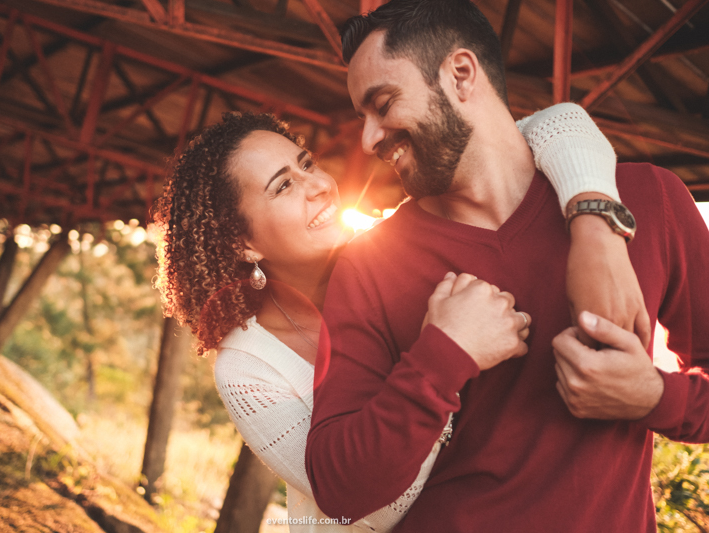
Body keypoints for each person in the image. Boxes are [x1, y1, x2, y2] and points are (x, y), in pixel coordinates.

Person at [304, 1, 709, 532]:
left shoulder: (650, 199)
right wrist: (442, 356)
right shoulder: (368, 265)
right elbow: (337, 486)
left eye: (382, 104)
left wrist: (654, 396)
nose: (369, 138)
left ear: (461, 74)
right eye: (363, 116)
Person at [153, 101, 638, 530]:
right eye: (283, 186)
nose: (319, 185)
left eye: (306, 164)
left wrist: (595, 225)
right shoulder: (248, 367)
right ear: (243, 243)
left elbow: (558, 121)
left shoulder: (404, 244)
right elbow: (370, 508)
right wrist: (447, 355)